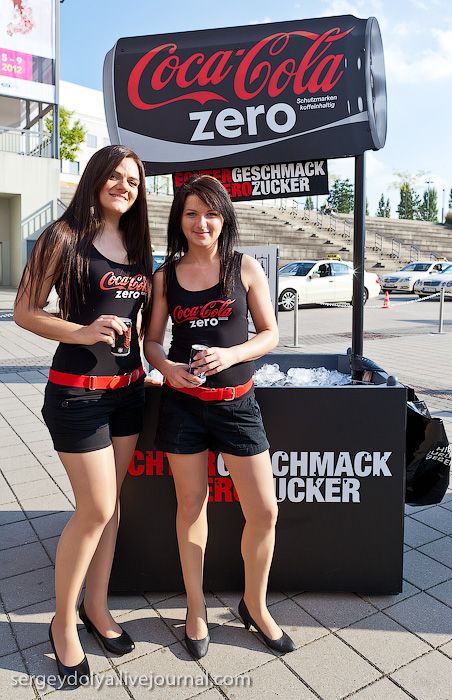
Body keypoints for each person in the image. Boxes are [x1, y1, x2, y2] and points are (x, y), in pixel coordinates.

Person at [14, 145, 153, 685]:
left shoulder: (139, 245)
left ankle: (97, 608)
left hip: (129, 392)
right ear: (95, 177)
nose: (124, 186)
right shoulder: (62, 236)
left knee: (111, 507)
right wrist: (82, 330)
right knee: (95, 507)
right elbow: (25, 311)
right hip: (76, 394)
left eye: (134, 181)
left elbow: (140, 318)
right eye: (115, 176)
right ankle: (63, 622)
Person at [144, 175, 295, 659]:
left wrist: (230, 357)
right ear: (179, 220)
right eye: (190, 213)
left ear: (224, 217)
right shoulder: (166, 275)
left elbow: (270, 334)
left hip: (237, 404)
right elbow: (152, 342)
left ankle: (255, 603)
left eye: (210, 213)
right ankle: (195, 607)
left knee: (265, 511)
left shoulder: (244, 267)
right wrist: (167, 368)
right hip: (183, 407)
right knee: (191, 507)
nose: (200, 222)